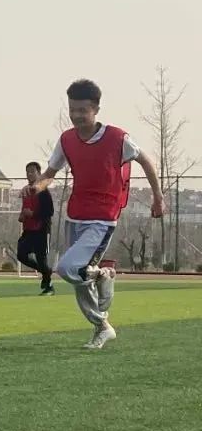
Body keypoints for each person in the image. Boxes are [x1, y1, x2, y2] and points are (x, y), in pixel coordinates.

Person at [26, 79, 165, 349]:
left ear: (96, 109)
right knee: (79, 279)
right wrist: (36, 187)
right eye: (72, 110)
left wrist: (158, 197)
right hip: (75, 215)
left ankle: (102, 276)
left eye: (83, 110)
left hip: (102, 219)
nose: (76, 115)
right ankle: (102, 326)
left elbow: (146, 161)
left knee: (68, 268)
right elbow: (50, 173)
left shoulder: (117, 138)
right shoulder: (66, 140)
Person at [17, 161, 55, 295]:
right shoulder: (26, 191)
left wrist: (32, 214)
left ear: (39, 174)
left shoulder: (43, 191)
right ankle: (47, 272)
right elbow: (25, 209)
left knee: (41, 259)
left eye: (32, 171)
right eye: (27, 172)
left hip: (42, 230)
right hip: (28, 230)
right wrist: (22, 215)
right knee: (21, 255)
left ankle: (49, 287)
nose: (29, 174)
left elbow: (49, 211)